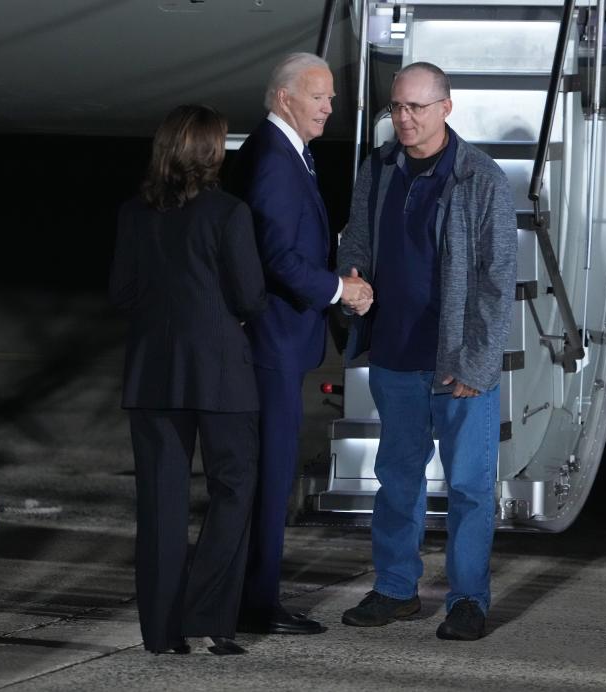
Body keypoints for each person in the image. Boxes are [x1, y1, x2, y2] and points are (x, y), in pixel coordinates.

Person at [338, 62, 517, 640]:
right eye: (397, 108)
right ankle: (395, 589)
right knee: (397, 480)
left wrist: (477, 362)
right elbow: (357, 237)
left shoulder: (479, 177)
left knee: (467, 487)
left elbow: (496, 280)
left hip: (457, 364)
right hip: (394, 353)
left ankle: (467, 600)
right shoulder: (380, 167)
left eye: (416, 107)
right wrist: (352, 283)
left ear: (446, 108)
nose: (405, 119)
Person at [109, 104, 266, 656]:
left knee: (159, 504)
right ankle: (211, 616)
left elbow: (120, 294)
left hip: (152, 374)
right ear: (210, 152)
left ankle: (160, 630)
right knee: (234, 488)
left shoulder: (134, 213)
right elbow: (250, 297)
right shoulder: (229, 213)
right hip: (221, 373)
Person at [233, 52, 373, 636]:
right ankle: (256, 604)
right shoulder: (272, 158)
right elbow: (276, 256)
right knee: (270, 474)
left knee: (270, 471)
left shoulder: (287, 153)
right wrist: (338, 287)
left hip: (280, 339)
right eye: (320, 97)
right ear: (286, 97)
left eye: (332, 97)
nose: (330, 107)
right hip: (273, 341)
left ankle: (252, 595)